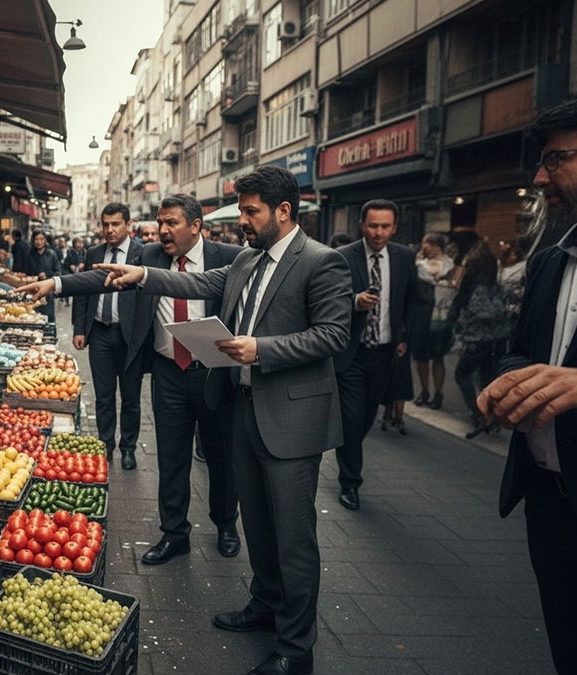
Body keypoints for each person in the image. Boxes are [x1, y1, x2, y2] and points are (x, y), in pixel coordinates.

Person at [93, 167, 351, 675]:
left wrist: (262, 349)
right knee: (256, 521)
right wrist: (143, 274)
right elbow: (194, 280)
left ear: (283, 211)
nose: (244, 220)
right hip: (245, 408)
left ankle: (296, 650)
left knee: (293, 539)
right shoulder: (249, 261)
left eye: (251, 211)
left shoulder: (322, 262)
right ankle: (264, 604)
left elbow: (334, 335)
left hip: (292, 419)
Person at [19, 194, 243, 562]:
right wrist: (57, 284)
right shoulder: (151, 255)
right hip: (169, 372)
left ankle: (225, 524)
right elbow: (104, 276)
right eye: (160, 222)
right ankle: (174, 533)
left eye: (172, 223)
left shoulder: (228, 258)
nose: (163, 230)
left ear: (196, 226)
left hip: (214, 373)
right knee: (171, 458)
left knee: (220, 457)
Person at [479, 90, 577, 675]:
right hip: (549, 508)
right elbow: (520, 354)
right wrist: (507, 384)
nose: (539, 176)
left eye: (556, 159)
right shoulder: (549, 260)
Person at [331, 199, 419, 511]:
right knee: (352, 420)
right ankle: (350, 482)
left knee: (367, 416)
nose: (378, 232)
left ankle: (349, 454)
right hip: (352, 353)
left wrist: (405, 337)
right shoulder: (343, 257)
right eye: (373, 226)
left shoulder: (405, 257)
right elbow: (329, 300)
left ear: (394, 227)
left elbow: (413, 300)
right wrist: (355, 302)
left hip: (385, 354)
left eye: (385, 226)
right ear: (362, 225)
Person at [68, 203, 144, 469]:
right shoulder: (94, 253)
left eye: (115, 224)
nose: (110, 230)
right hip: (99, 333)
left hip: (130, 337)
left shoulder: (141, 253)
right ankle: (106, 445)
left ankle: (129, 448)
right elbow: (83, 291)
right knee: (104, 396)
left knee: (131, 397)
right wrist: (80, 329)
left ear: (128, 225)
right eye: (106, 224)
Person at [449, 242, 508, 438]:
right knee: (486, 379)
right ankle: (489, 418)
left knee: (462, 374)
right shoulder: (493, 285)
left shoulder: (479, 288)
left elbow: (487, 311)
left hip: (478, 339)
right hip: (492, 340)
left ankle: (479, 415)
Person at [412, 233, 455, 409]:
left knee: (438, 357)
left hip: (442, 315)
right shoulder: (420, 264)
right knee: (421, 358)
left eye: (425, 243)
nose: (423, 247)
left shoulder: (450, 264)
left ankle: (438, 393)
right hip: (423, 316)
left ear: (434, 245)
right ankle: (424, 391)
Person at [24, 230, 61, 322]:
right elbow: (24, 273)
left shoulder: (52, 254)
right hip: (32, 292)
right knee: (32, 318)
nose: (39, 242)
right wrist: (33, 277)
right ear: (33, 240)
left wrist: (48, 275)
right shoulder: (29, 254)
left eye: (41, 239)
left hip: (47, 293)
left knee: (48, 318)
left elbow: (58, 272)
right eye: (36, 239)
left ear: (45, 240)